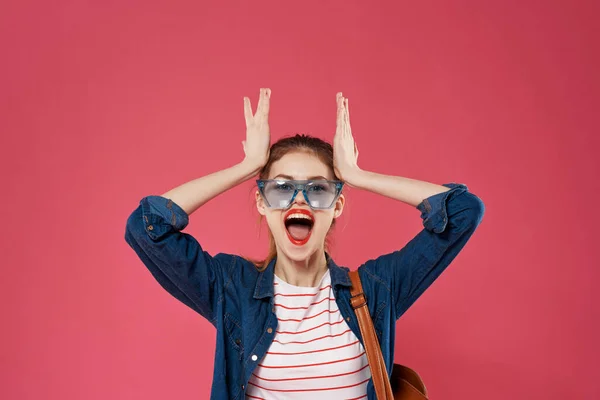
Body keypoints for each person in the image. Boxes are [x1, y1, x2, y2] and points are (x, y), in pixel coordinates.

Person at [124, 88, 485, 399]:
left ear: (336, 205)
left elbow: (463, 212)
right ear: (262, 203)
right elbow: (147, 227)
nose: (299, 200)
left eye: (318, 188)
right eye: (281, 188)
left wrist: (358, 176)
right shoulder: (232, 289)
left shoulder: (377, 291)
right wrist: (246, 167)